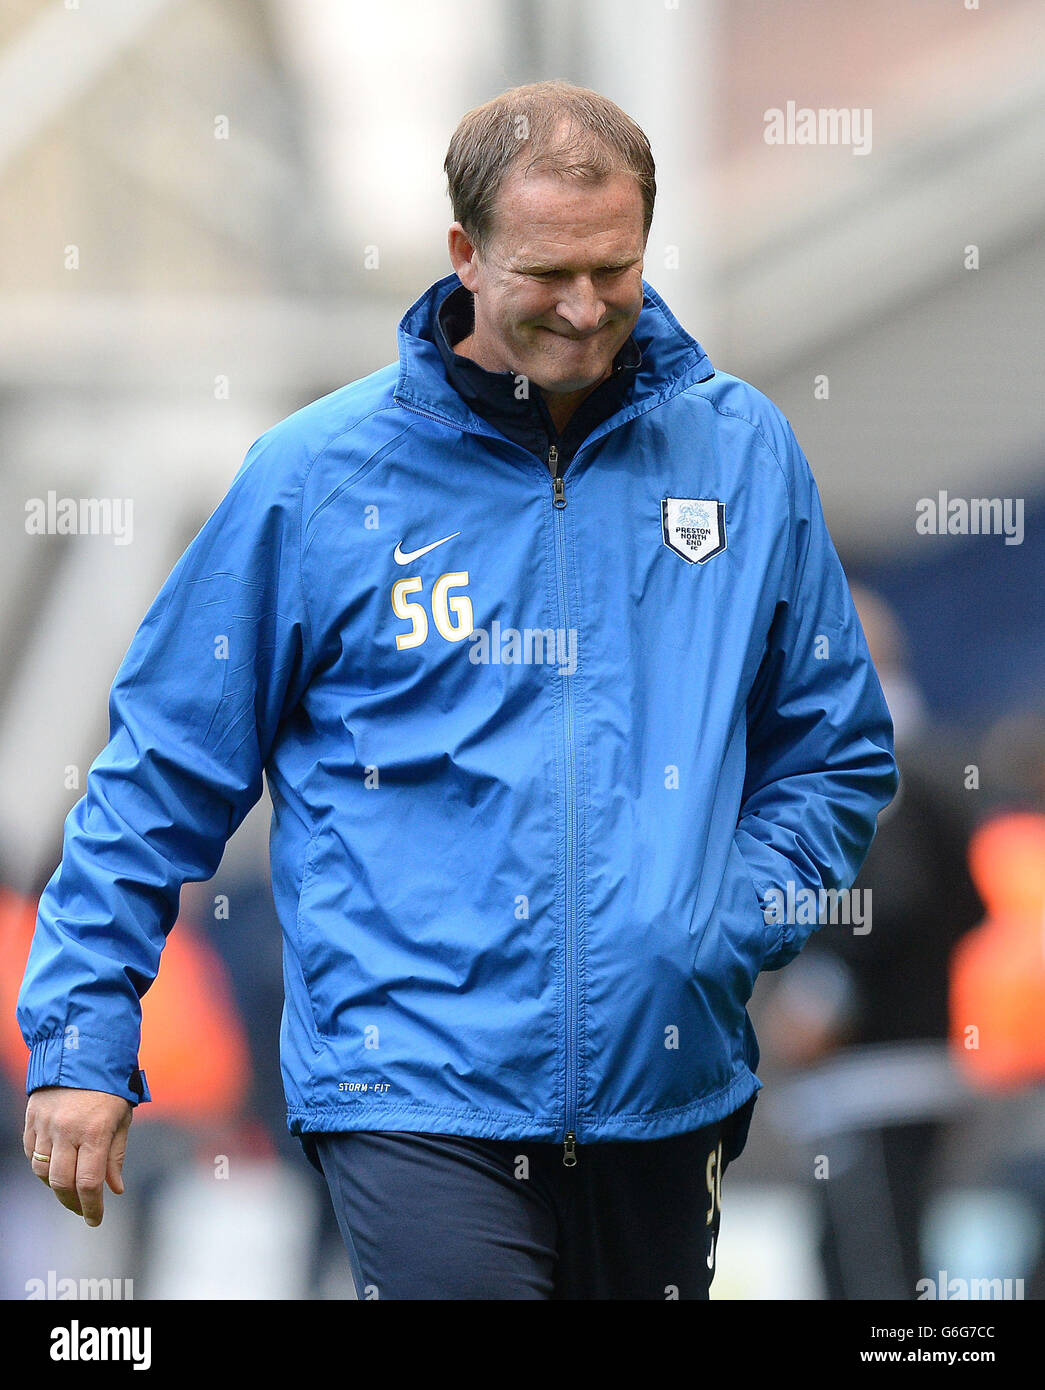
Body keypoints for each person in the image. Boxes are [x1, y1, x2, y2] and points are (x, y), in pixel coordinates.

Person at [17, 81, 898, 1300]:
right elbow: (161, 766)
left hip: (668, 1079)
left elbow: (834, 751)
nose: (587, 308)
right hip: (413, 1086)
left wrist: (720, 922)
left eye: (616, 266)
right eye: (547, 272)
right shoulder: (314, 478)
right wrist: (81, 1038)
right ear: (464, 255)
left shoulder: (739, 451)